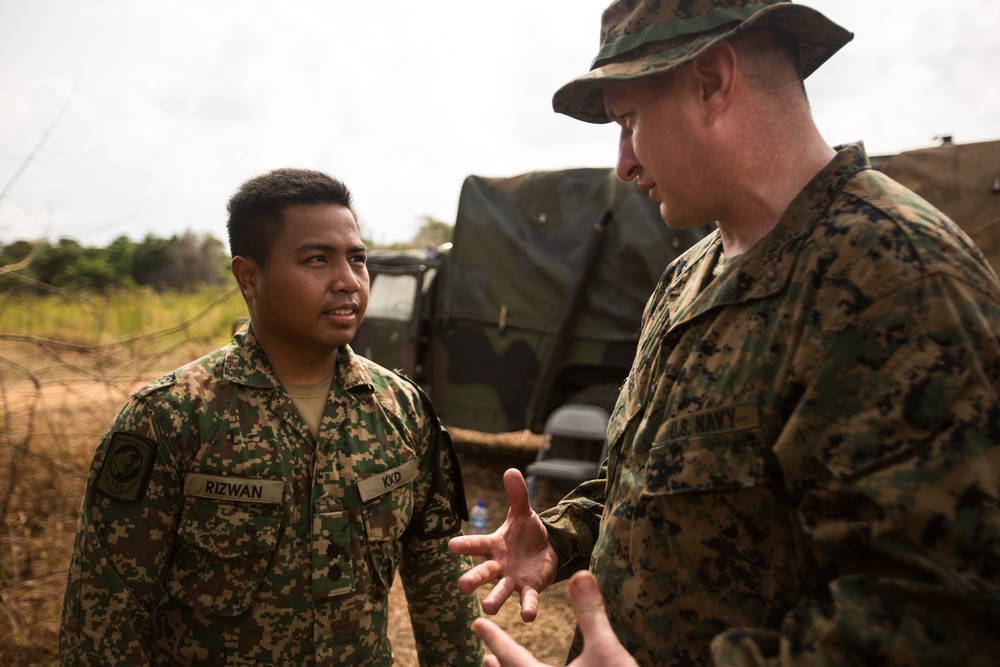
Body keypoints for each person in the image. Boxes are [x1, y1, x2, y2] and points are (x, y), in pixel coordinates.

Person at [449, 1, 1000, 665]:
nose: (623, 163)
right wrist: (560, 537)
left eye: (629, 122)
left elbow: (935, 626)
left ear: (710, 83)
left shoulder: (896, 276)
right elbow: (654, 487)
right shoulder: (689, 275)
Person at [60, 168, 485, 666]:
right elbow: (106, 617)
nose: (348, 281)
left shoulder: (401, 411)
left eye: (357, 259)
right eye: (317, 260)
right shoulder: (170, 418)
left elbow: (442, 580)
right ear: (249, 276)